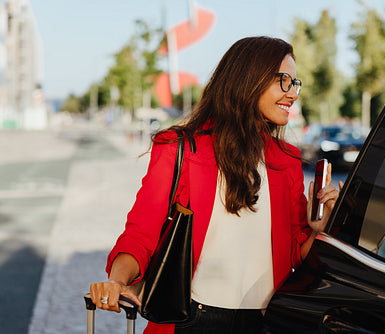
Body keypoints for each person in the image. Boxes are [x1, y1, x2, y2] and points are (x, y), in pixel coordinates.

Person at [90, 36, 341, 334]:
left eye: (295, 83)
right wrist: (117, 281)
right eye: (283, 81)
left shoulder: (286, 161)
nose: (293, 93)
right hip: (191, 320)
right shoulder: (180, 149)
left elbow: (297, 255)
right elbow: (141, 233)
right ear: (248, 79)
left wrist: (319, 229)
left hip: (266, 323)